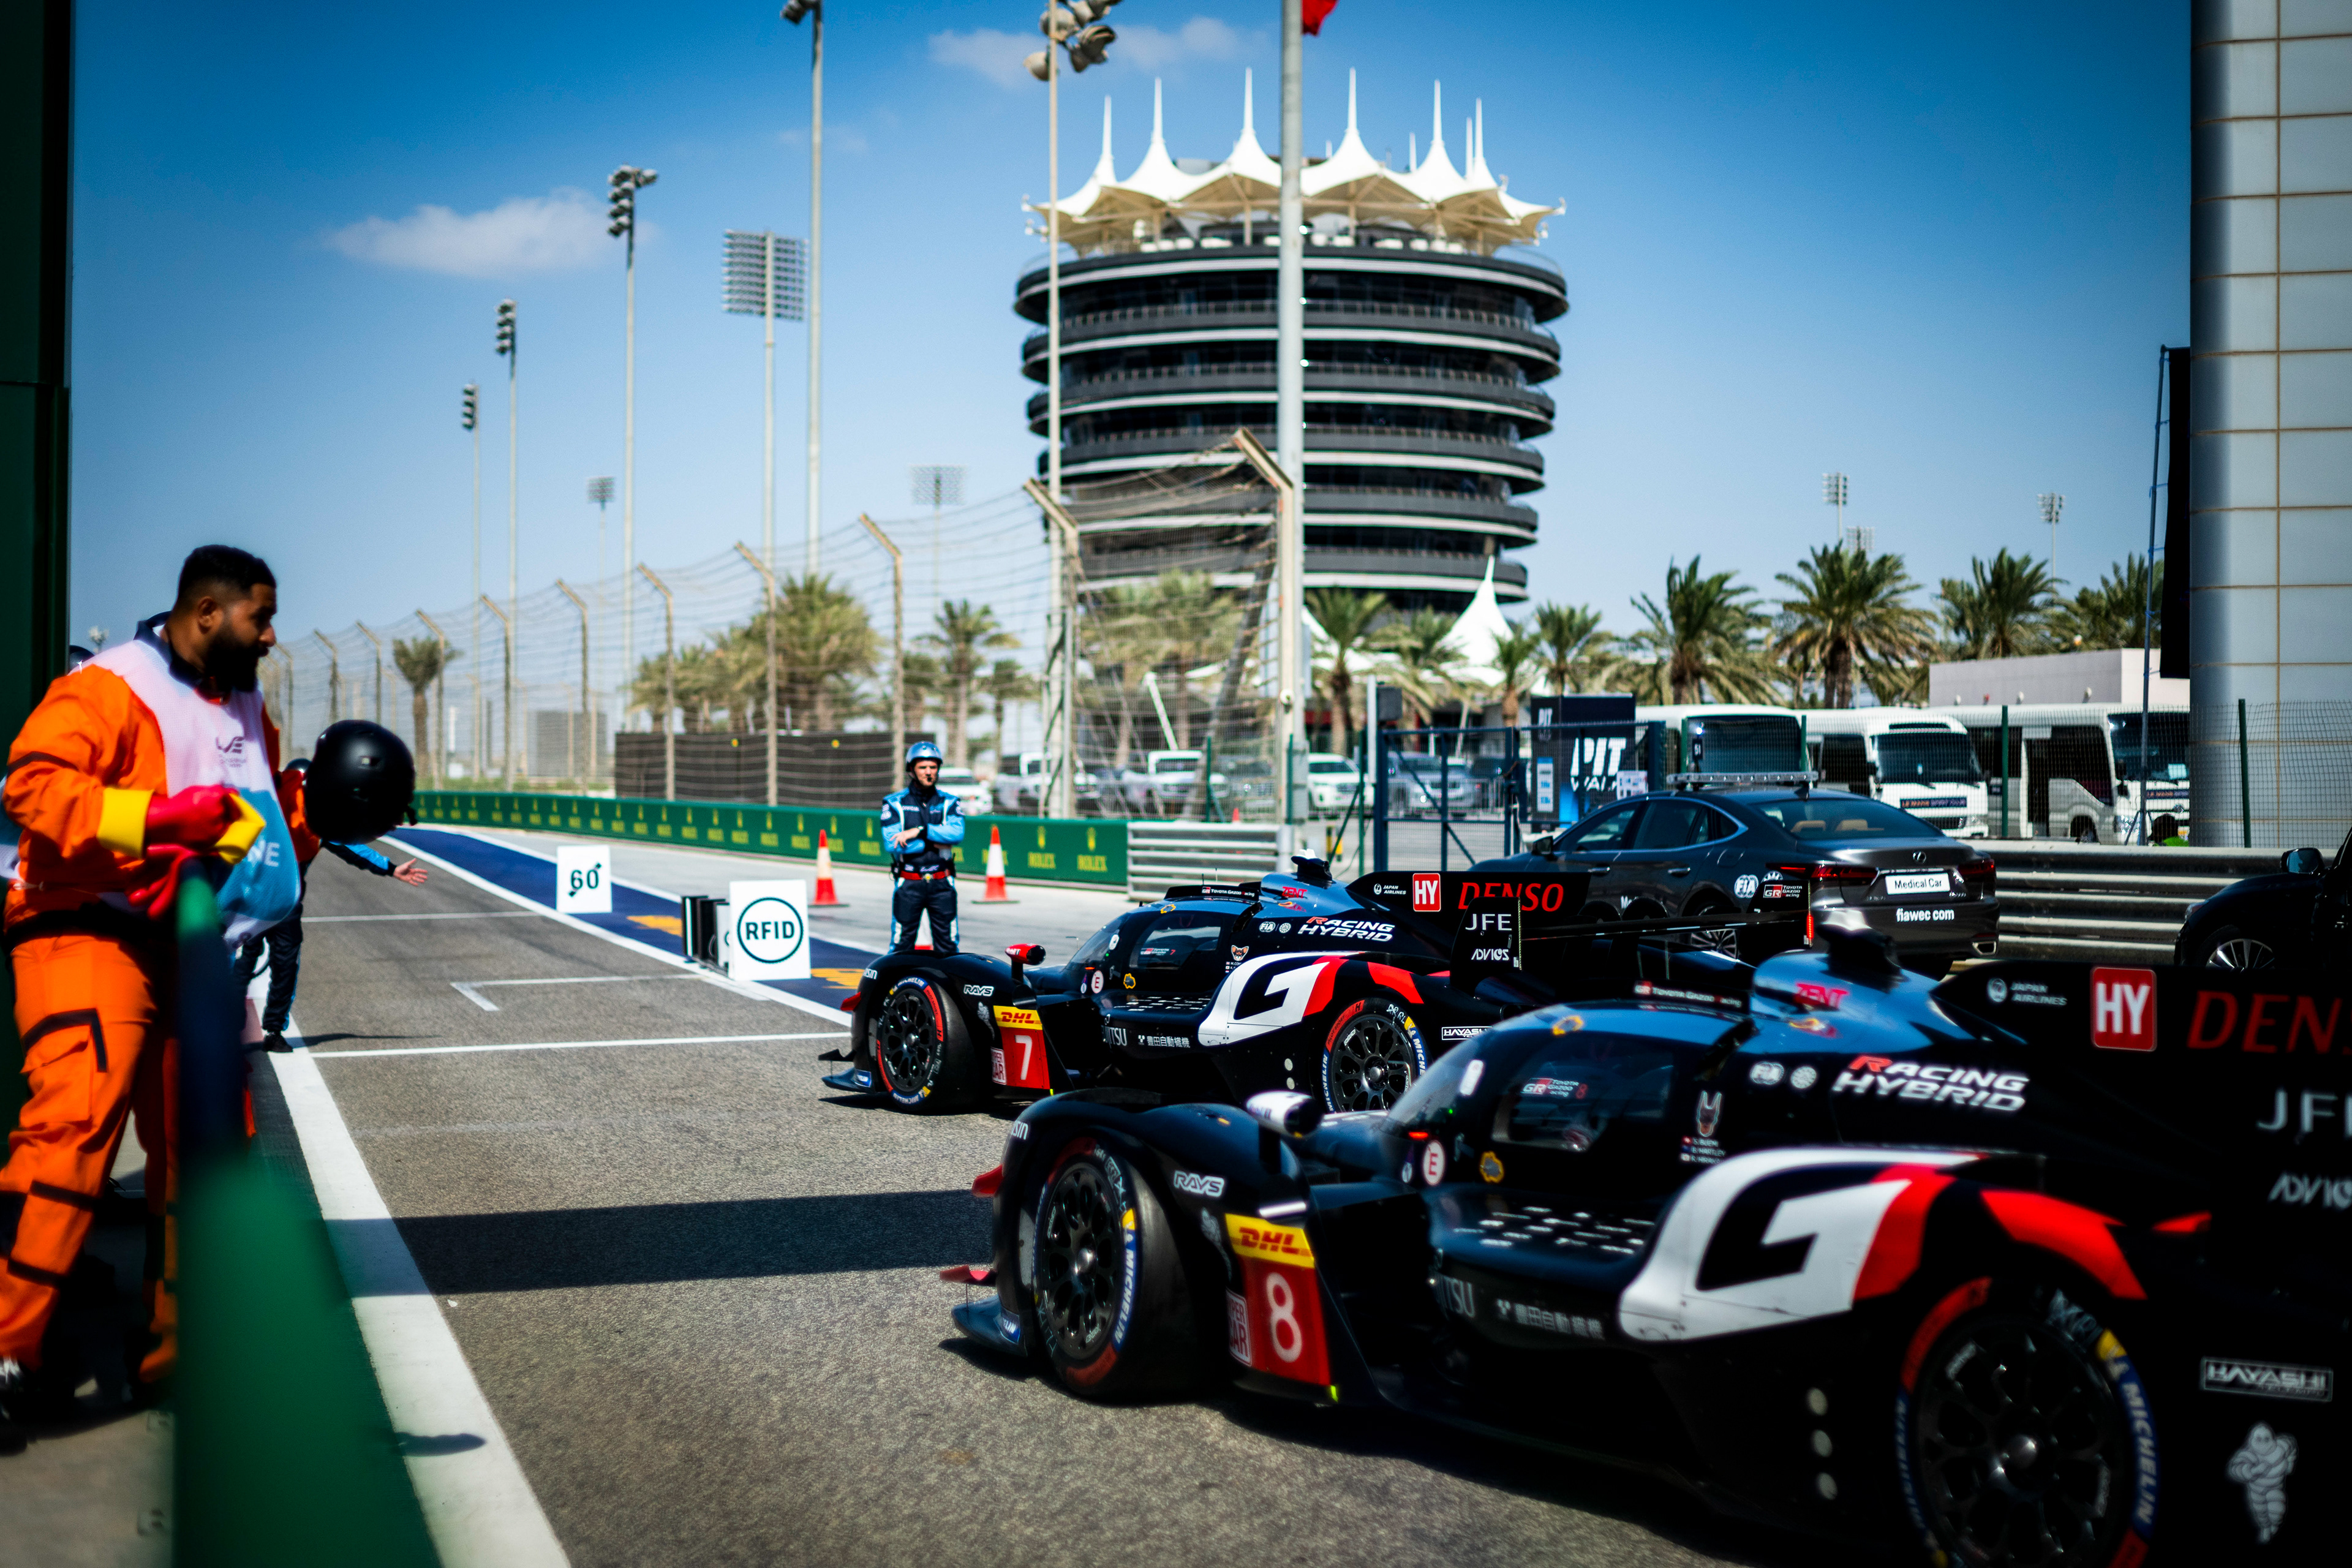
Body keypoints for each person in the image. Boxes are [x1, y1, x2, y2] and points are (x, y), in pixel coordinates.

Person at [0, 546, 309, 1444]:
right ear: (208, 614)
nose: (272, 633)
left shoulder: (246, 705)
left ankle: (180, 1350)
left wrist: (314, 814)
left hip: (188, 937)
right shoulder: (109, 686)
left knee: (205, 1135)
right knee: (77, 1113)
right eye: (261, 616)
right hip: (80, 917)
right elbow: (32, 785)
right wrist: (154, 821)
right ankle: (12, 1345)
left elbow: (257, 838)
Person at [233, 829, 428, 1054]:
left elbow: (350, 848)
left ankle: (274, 1032)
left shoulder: (309, 819)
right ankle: (228, 1026)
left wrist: (391, 868)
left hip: (288, 907)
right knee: (243, 962)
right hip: (248, 902)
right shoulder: (258, 805)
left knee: (286, 968)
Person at [881, 741, 964, 954]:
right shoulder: (894, 803)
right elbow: (893, 844)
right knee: (901, 947)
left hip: (942, 883)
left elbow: (957, 834)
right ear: (911, 769)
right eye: (923, 767)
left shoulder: (950, 802)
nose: (929, 772)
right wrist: (938, 838)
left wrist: (918, 831)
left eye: (933, 767)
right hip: (909, 883)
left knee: (949, 947)